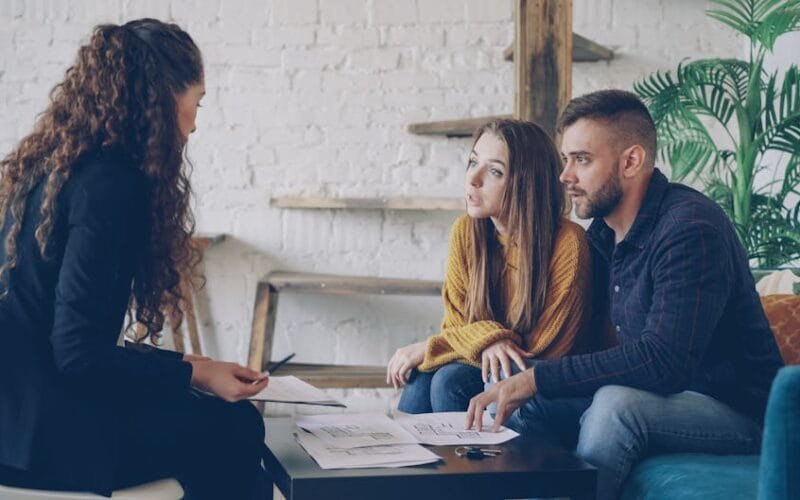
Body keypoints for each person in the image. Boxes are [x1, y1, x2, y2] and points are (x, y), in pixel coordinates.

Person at [465, 90, 785, 500]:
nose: (565, 175)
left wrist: (538, 377)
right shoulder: (602, 234)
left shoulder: (689, 229)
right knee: (506, 390)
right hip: (666, 397)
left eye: (581, 160)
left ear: (631, 161)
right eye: (565, 159)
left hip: (738, 411)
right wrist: (497, 356)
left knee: (615, 408)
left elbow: (663, 361)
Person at [0, 19, 269, 499]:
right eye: (197, 101)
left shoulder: (50, 166)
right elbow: (78, 356)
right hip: (39, 441)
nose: (195, 123)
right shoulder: (110, 185)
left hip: (16, 423)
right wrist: (192, 374)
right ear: (163, 99)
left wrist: (189, 364)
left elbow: (63, 339)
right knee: (236, 427)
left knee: (220, 428)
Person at [387, 119, 594, 413]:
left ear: (526, 183)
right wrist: (488, 341)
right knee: (422, 377)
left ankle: (466, 447)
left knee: (449, 380)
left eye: (495, 171)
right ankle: (399, 445)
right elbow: (456, 325)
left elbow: (544, 350)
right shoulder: (466, 231)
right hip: (483, 363)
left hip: (544, 379)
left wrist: (438, 345)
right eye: (473, 162)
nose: (473, 179)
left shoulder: (567, 243)